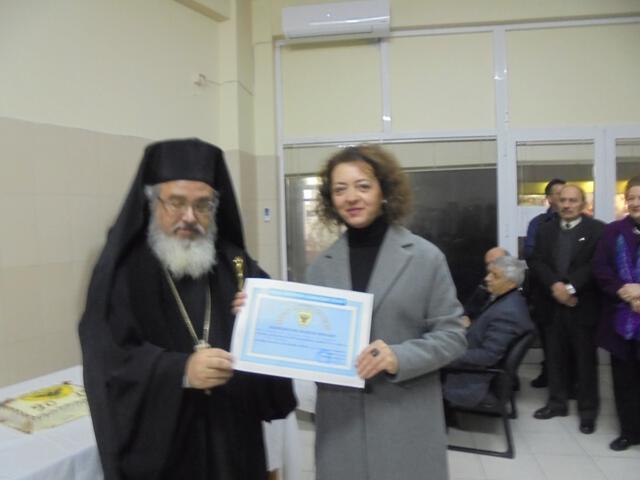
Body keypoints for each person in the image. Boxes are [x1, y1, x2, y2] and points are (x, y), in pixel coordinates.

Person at [78, 139, 296, 480]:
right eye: (176, 203)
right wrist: (181, 370)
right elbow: (108, 358)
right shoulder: (124, 272)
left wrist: (265, 318)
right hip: (166, 453)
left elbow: (282, 330)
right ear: (152, 202)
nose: (190, 217)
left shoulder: (236, 265)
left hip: (234, 440)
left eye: (202, 205)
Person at [306, 145, 467, 480]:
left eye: (363, 186)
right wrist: (257, 317)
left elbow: (453, 336)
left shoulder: (425, 257)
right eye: (340, 189)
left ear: (384, 191)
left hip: (405, 421)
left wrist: (399, 356)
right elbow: (309, 337)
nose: (352, 197)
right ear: (330, 200)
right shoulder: (320, 267)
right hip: (341, 425)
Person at [530, 184, 604, 434]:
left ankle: (588, 412)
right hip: (551, 305)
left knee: (585, 362)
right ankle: (557, 404)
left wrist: (570, 288)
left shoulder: (597, 230)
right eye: (563, 200)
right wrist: (555, 286)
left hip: (582, 306)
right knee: (554, 358)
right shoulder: (545, 230)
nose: (567, 205)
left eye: (573, 200)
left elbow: (595, 264)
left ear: (583, 203)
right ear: (555, 202)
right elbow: (537, 261)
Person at [444, 255, 534, 408]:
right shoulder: (507, 300)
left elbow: (488, 356)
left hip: (473, 380)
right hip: (472, 364)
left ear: (511, 283)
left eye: (495, 275)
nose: (487, 278)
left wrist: (449, 355)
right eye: (489, 273)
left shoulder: (508, 313)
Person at [593, 175, 640, 451]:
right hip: (620, 320)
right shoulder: (613, 231)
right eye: (631, 197)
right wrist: (625, 292)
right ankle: (628, 432)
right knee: (624, 380)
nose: (635, 202)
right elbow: (601, 269)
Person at [524, 178, 566, 388]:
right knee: (548, 336)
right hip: (544, 290)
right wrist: (553, 280)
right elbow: (531, 254)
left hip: (572, 290)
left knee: (570, 338)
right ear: (549, 198)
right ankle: (549, 372)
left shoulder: (582, 223)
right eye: (559, 194)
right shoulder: (538, 223)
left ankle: (571, 380)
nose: (564, 198)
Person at [462, 246, 509, 326]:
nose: (490, 267)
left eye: (495, 262)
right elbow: (470, 308)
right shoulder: (485, 284)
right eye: (488, 264)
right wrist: (465, 317)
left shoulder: (514, 289)